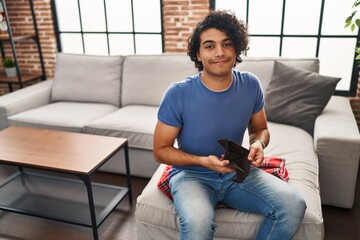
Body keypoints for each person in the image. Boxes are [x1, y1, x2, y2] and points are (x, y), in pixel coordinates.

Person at [153, 10, 306, 240]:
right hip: (192, 175)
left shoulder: (250, 85)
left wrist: (258, 144)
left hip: (237, 171)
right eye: (209, 46)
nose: (220, 53)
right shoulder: (178, 93)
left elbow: (260, 129)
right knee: (198, 222)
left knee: (294, 204)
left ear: (237, 49)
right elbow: (160, 150)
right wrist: (202, 161)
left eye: (227, 44)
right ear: (198, 53)